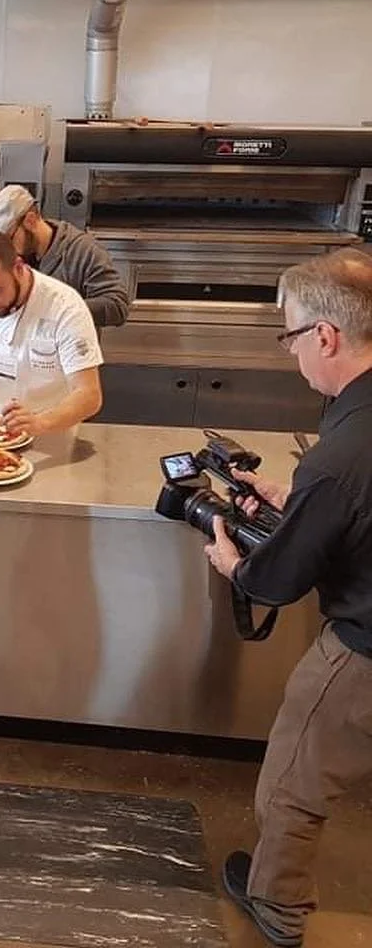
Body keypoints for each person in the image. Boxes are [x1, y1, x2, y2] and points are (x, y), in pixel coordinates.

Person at [204, 248, 372, 948]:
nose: (292, 351)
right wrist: (297, 499)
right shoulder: (346, 439)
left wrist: (232, 562)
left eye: (291, 334)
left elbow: (279, 580)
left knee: (294, 780)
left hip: (362, 648)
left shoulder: (337, 457)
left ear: (326, 337)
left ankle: (276, 905)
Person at [0, 230, 103, 439]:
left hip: (47, 433)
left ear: (19, 268)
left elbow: (89, 395)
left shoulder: (66, 307)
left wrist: (40, 422)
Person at [0, 184, 130, 329]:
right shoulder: (16, 256)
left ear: (30, 220)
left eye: (10, 238)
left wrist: (58, 311)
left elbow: (117, 305)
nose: (8, 250)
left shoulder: (83, 251)